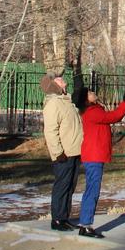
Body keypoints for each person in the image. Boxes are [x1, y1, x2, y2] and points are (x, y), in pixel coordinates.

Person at [77, 87, 125, 238]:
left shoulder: (93, 110)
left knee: (91, 189)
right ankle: (86, 224)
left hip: (93, 155)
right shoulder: (92, 112)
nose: (93, 92)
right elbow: (112, 117)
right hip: (94, 156)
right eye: (89, 93)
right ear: (85, 98)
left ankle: (84, 223)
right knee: (92, 190)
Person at [42, 72, 83, 230]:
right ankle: (57, 219)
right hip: (63, 154)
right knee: (62, 185)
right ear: (53, 85)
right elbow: (51, 131)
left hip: (73, 151)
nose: (61, 79)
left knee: (70, 186)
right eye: (57, 78)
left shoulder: (67, 101)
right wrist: (58, 152)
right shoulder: (53, 103)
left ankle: (64, 217)